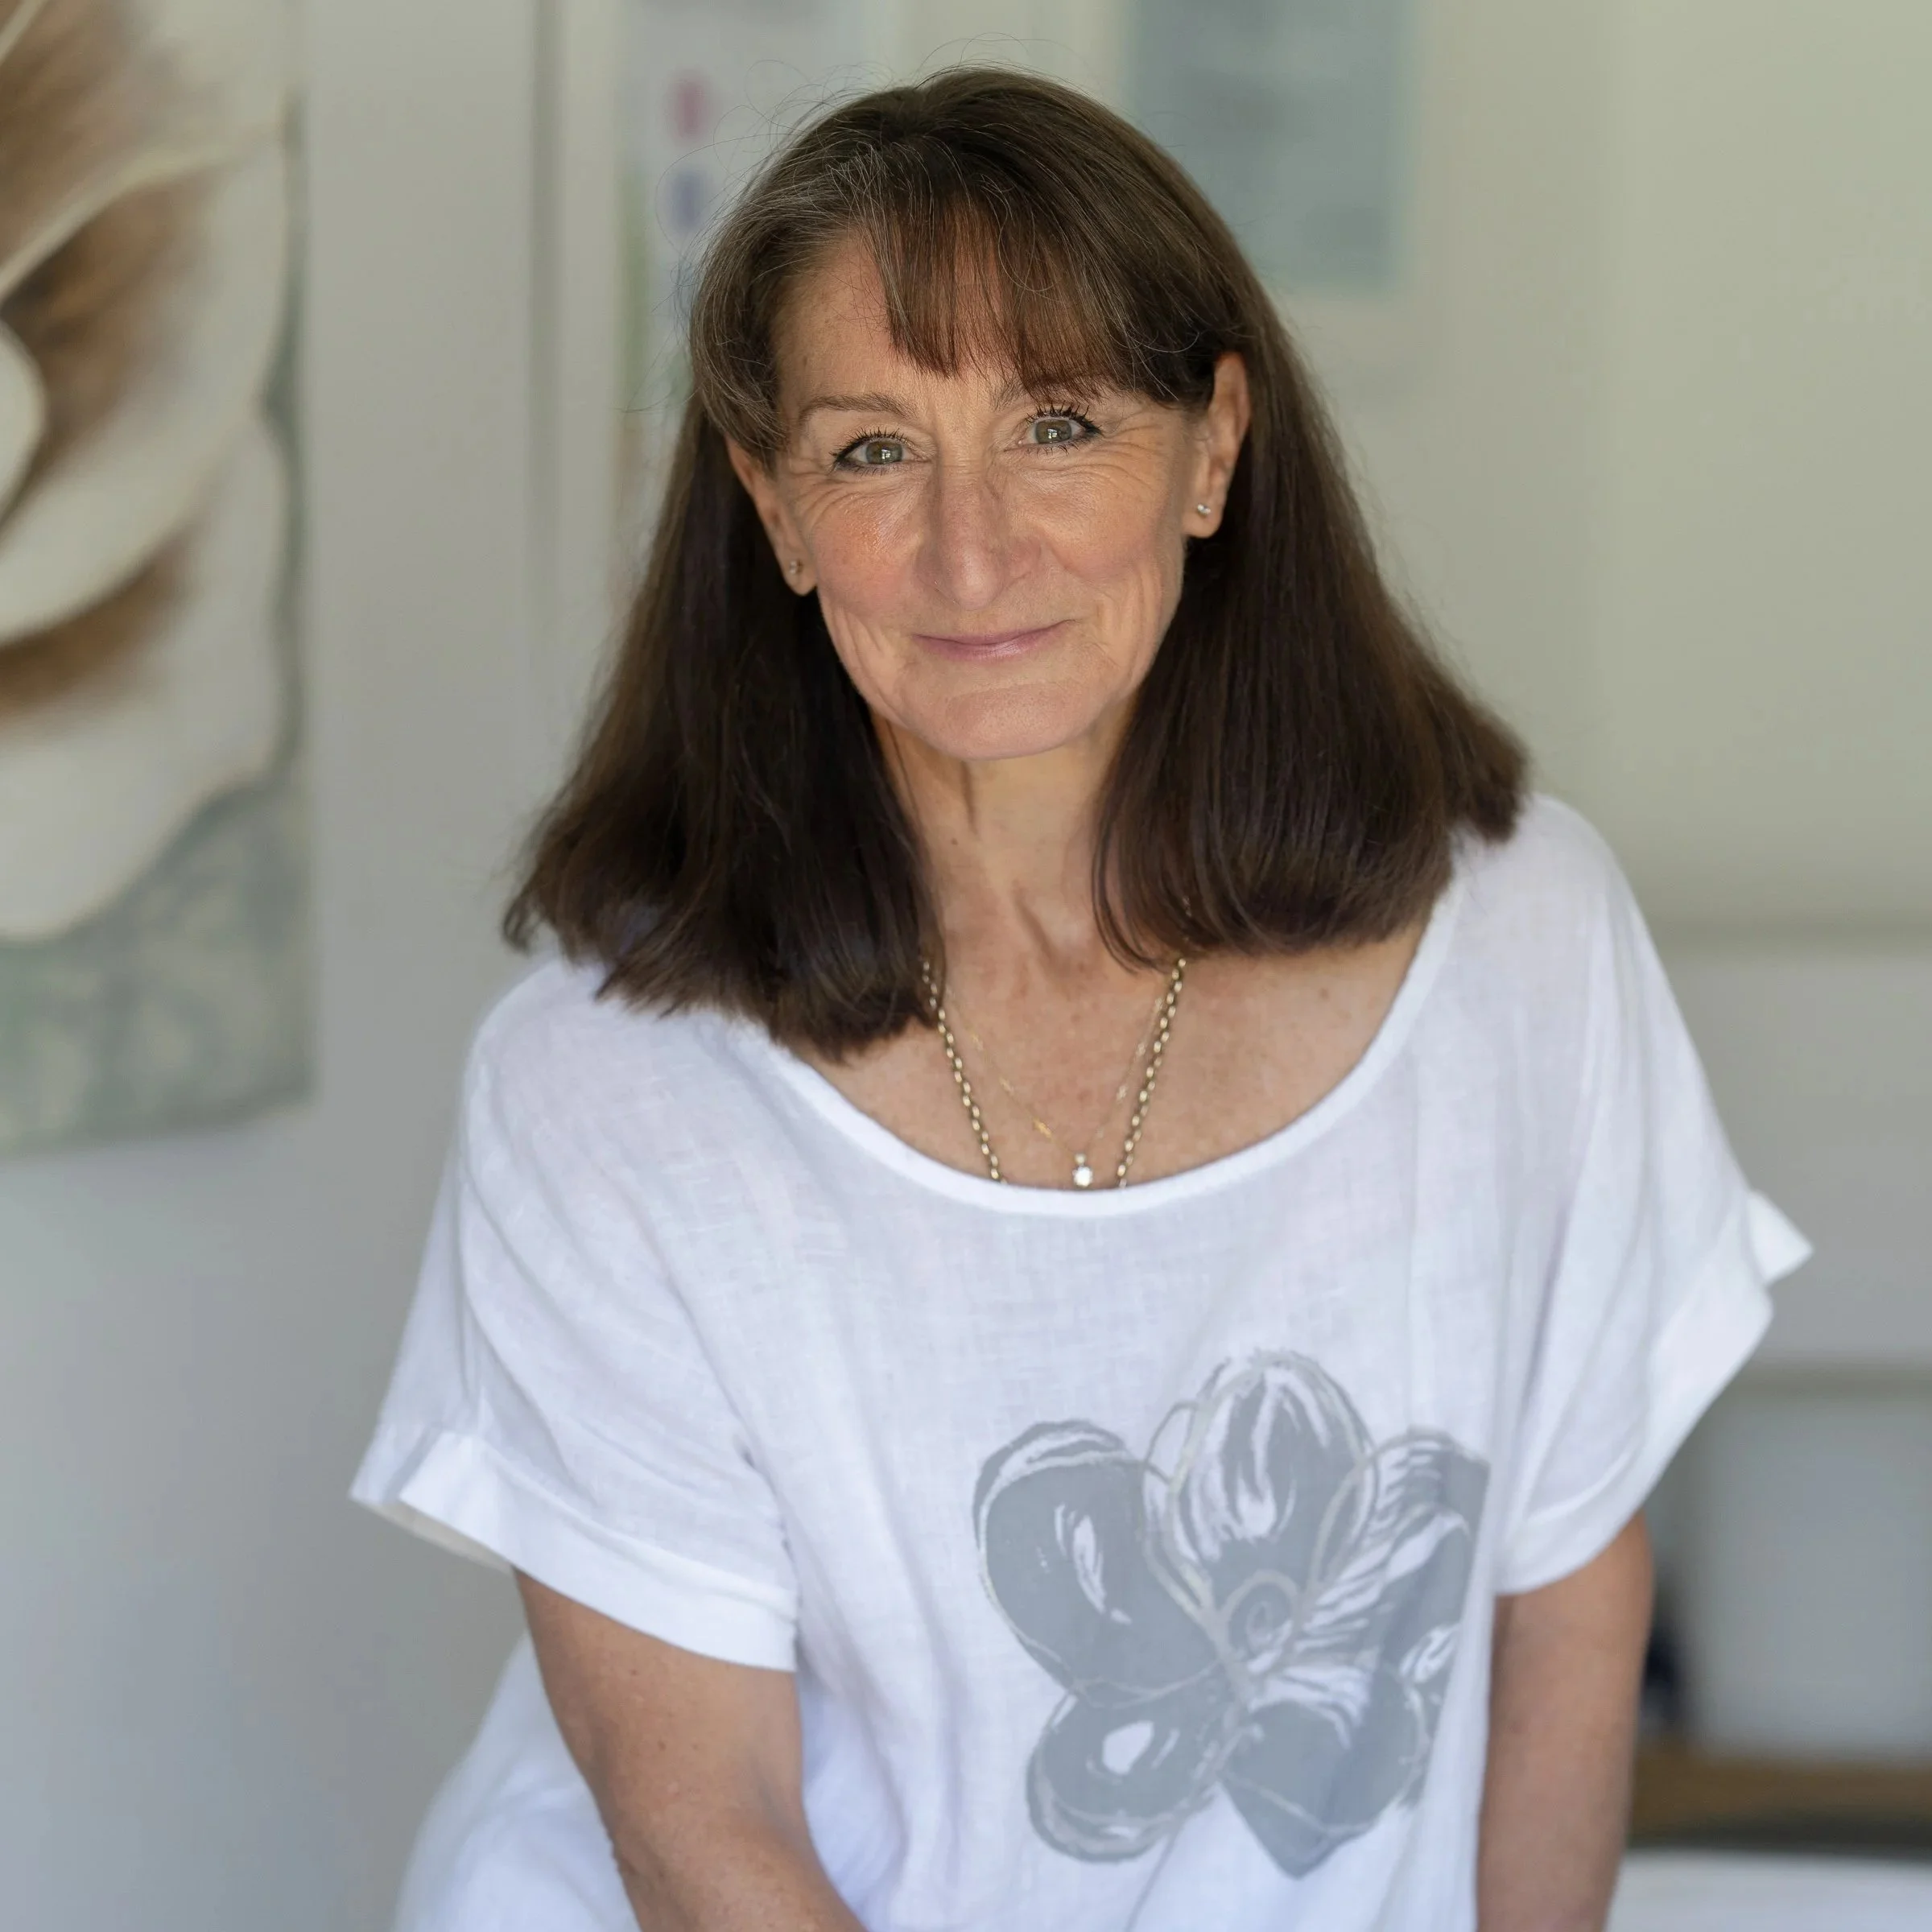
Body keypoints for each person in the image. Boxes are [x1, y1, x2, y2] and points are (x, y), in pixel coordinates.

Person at [352, 68, 1808, 1932]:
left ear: (1214, 451)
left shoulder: (1522, 941)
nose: (974, 551)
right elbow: (708, 1839)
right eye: (875, 449)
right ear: (774, 507)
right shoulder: (608, 1088)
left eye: (1057, 425)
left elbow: (1566, 1590)